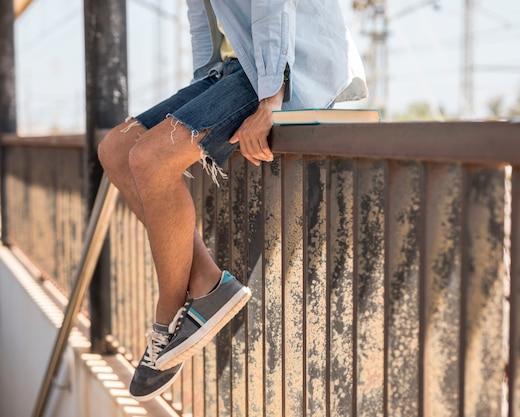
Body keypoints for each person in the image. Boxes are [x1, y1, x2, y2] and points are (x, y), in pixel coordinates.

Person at [97, 0, 367, 402]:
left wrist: (270, 102)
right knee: (116, 148)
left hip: (289, 67)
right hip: (239, 68)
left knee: (151, 160)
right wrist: (201, 90)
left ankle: (169, 316)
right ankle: (206, 283)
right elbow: (202, 20)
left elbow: (274, 7)